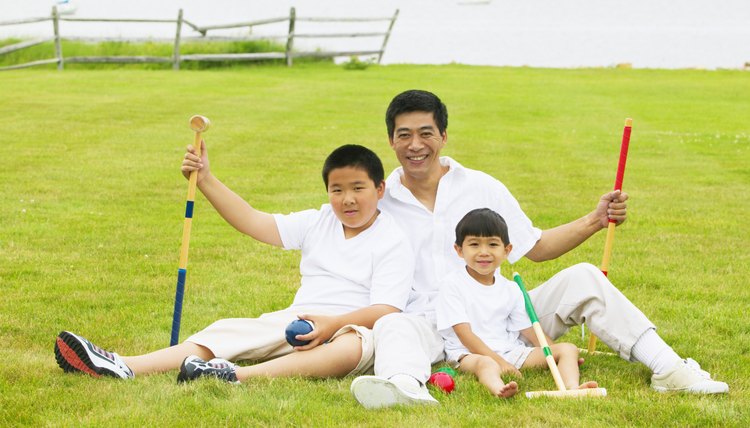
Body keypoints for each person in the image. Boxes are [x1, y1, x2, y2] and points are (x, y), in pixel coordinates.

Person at [350, 89, 728, 408]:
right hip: (429, 325)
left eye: (426, 133)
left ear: (444, 135)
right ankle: (403, 387)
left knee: (584, 277)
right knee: (393, 323)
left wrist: (595, 220)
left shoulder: (483, 186)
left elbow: (538, 247)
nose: (415, 145)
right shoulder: (377, 198)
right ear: (390, 140)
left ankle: (668, 368)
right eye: (404, 135)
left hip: (502, 315)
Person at [54, 144, 414, 384]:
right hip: (300, 318)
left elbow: (387, 309)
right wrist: (206, 179)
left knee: (349, 347)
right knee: (227, 331)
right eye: (337, 190)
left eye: (358, 188)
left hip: (354, 327)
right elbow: (254, 221)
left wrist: (333, 323)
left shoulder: (392, 237)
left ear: (380, 189)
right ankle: (124, 364)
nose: (347, 199)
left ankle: (233, 377)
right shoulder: (318, 220)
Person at [436, 208, 599, 398]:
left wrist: (552, 353)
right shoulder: (452, 285)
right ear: (459, 250)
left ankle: (572, 388)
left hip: (509, 350)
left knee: (567, 349)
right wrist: (500, 362)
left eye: (492, 244)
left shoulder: (511, 289)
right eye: (474, 244)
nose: (484, 252)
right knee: (487, 364)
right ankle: (499, 389)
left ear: (507, 250)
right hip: (468, 354)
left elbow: (529, 330)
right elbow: (465, 335)